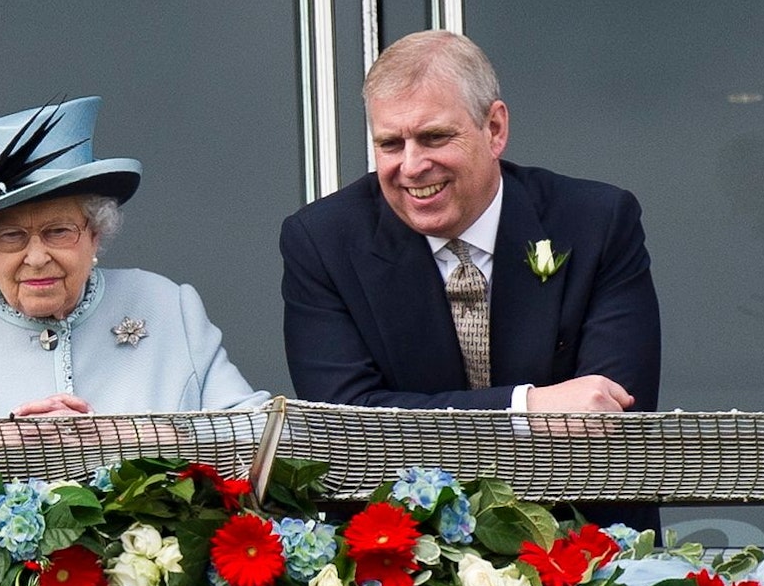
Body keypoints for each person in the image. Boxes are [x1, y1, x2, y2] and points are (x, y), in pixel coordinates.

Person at [280, 31, 661, 539]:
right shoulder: (322, 241)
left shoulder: (597, 221)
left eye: (435, 137)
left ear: (495, 128)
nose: (411, 166)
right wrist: (527, 409)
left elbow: (609, 416)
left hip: (582, 550)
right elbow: (348, 427)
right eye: (390, 143)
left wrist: (420, 427)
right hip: (405, 555)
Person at [0, 96, 268, 428]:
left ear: (96, 234)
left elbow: (265, 438)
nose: (37, 257)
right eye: (11, 236)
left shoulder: (168, 307)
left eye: (59, 231)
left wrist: (138, 437)